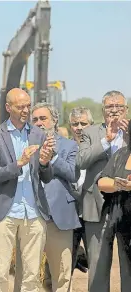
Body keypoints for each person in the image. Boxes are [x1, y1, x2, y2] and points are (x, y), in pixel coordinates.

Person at [0, 88, 54, 292]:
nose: (25, 110)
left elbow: (47, 177)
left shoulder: (38, 134)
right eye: (20, 106)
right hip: (4, 212)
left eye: (27, 106)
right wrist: (19, 163)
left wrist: (43, 163)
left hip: (34, 212)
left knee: (32, 277)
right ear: (8, 108)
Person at [76, 90, 131, 292]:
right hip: (97, 205)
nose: (114, 111)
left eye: (119, 107)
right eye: (110, 107)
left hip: (127, 205)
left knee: (128, 264)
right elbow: (80, 161)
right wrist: (106, 141)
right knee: (98, 265)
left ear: (126, 110)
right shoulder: (90, 133)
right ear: (103, 110)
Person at [24, 102, 81, 292]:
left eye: (43, 118)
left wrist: (54, 156)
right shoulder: (25, 144)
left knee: (61, 274)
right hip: (30, 216)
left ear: (54, 121)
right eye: (35, 120)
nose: (39, 123)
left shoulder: (69, 145)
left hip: (59, 218)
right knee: (29, 273)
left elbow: (74, 174)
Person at [97, 120, 131, 272]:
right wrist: (118, 185)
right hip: (123, 223)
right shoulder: (120, 155)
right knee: (126, 272)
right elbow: (102, 180)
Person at [69, 106, 93, 276]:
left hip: (92, 212)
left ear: (91, 124)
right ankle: (77, 255)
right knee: (65, 264)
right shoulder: (65, 147)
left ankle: (81, 256)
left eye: (83, 123)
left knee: (96, 260)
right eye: (75, 123)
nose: (79, 127)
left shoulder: (99, 147)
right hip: (70, 213)